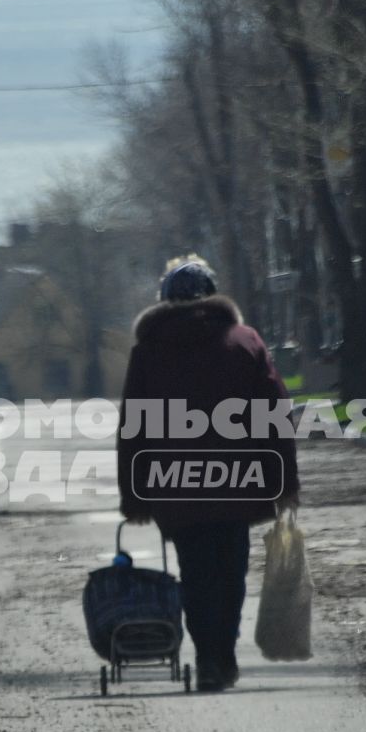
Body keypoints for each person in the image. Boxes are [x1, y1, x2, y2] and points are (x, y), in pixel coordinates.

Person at [117, 256, 298, 691]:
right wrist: (285, 483)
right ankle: (225, 654)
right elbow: (275, 415)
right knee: (231, 570)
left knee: (195, 572)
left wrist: (134, 496)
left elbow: (133, 428)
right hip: (238, 480)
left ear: (165, 301)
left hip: (174, 485)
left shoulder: (148, 351)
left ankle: (208, 659)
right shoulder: (245, 342)